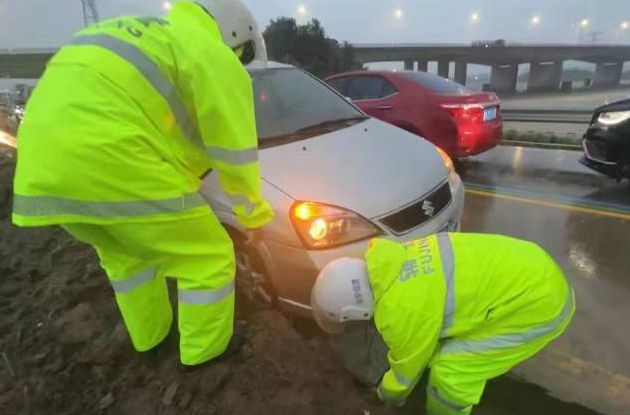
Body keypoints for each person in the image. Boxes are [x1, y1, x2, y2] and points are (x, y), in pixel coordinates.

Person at [12, 0, 274, 366]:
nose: (238, 60)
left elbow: (152, 117)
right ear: (234, 36)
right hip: (110, 157)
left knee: (128, 257)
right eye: (241, 54)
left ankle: (152, 342)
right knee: (208, 256)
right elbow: (234, 147)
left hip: (43, 165)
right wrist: (252, 214)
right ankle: (206, 358)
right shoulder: (209, 51)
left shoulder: (140, 33)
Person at [311, 233, 575, 415]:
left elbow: (404, 376)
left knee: (450, 372)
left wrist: (383, 394)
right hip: (532, 267)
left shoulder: (401, 311)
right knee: (445, 336)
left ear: (354, 309)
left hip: (539, 307)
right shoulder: (392, 258)